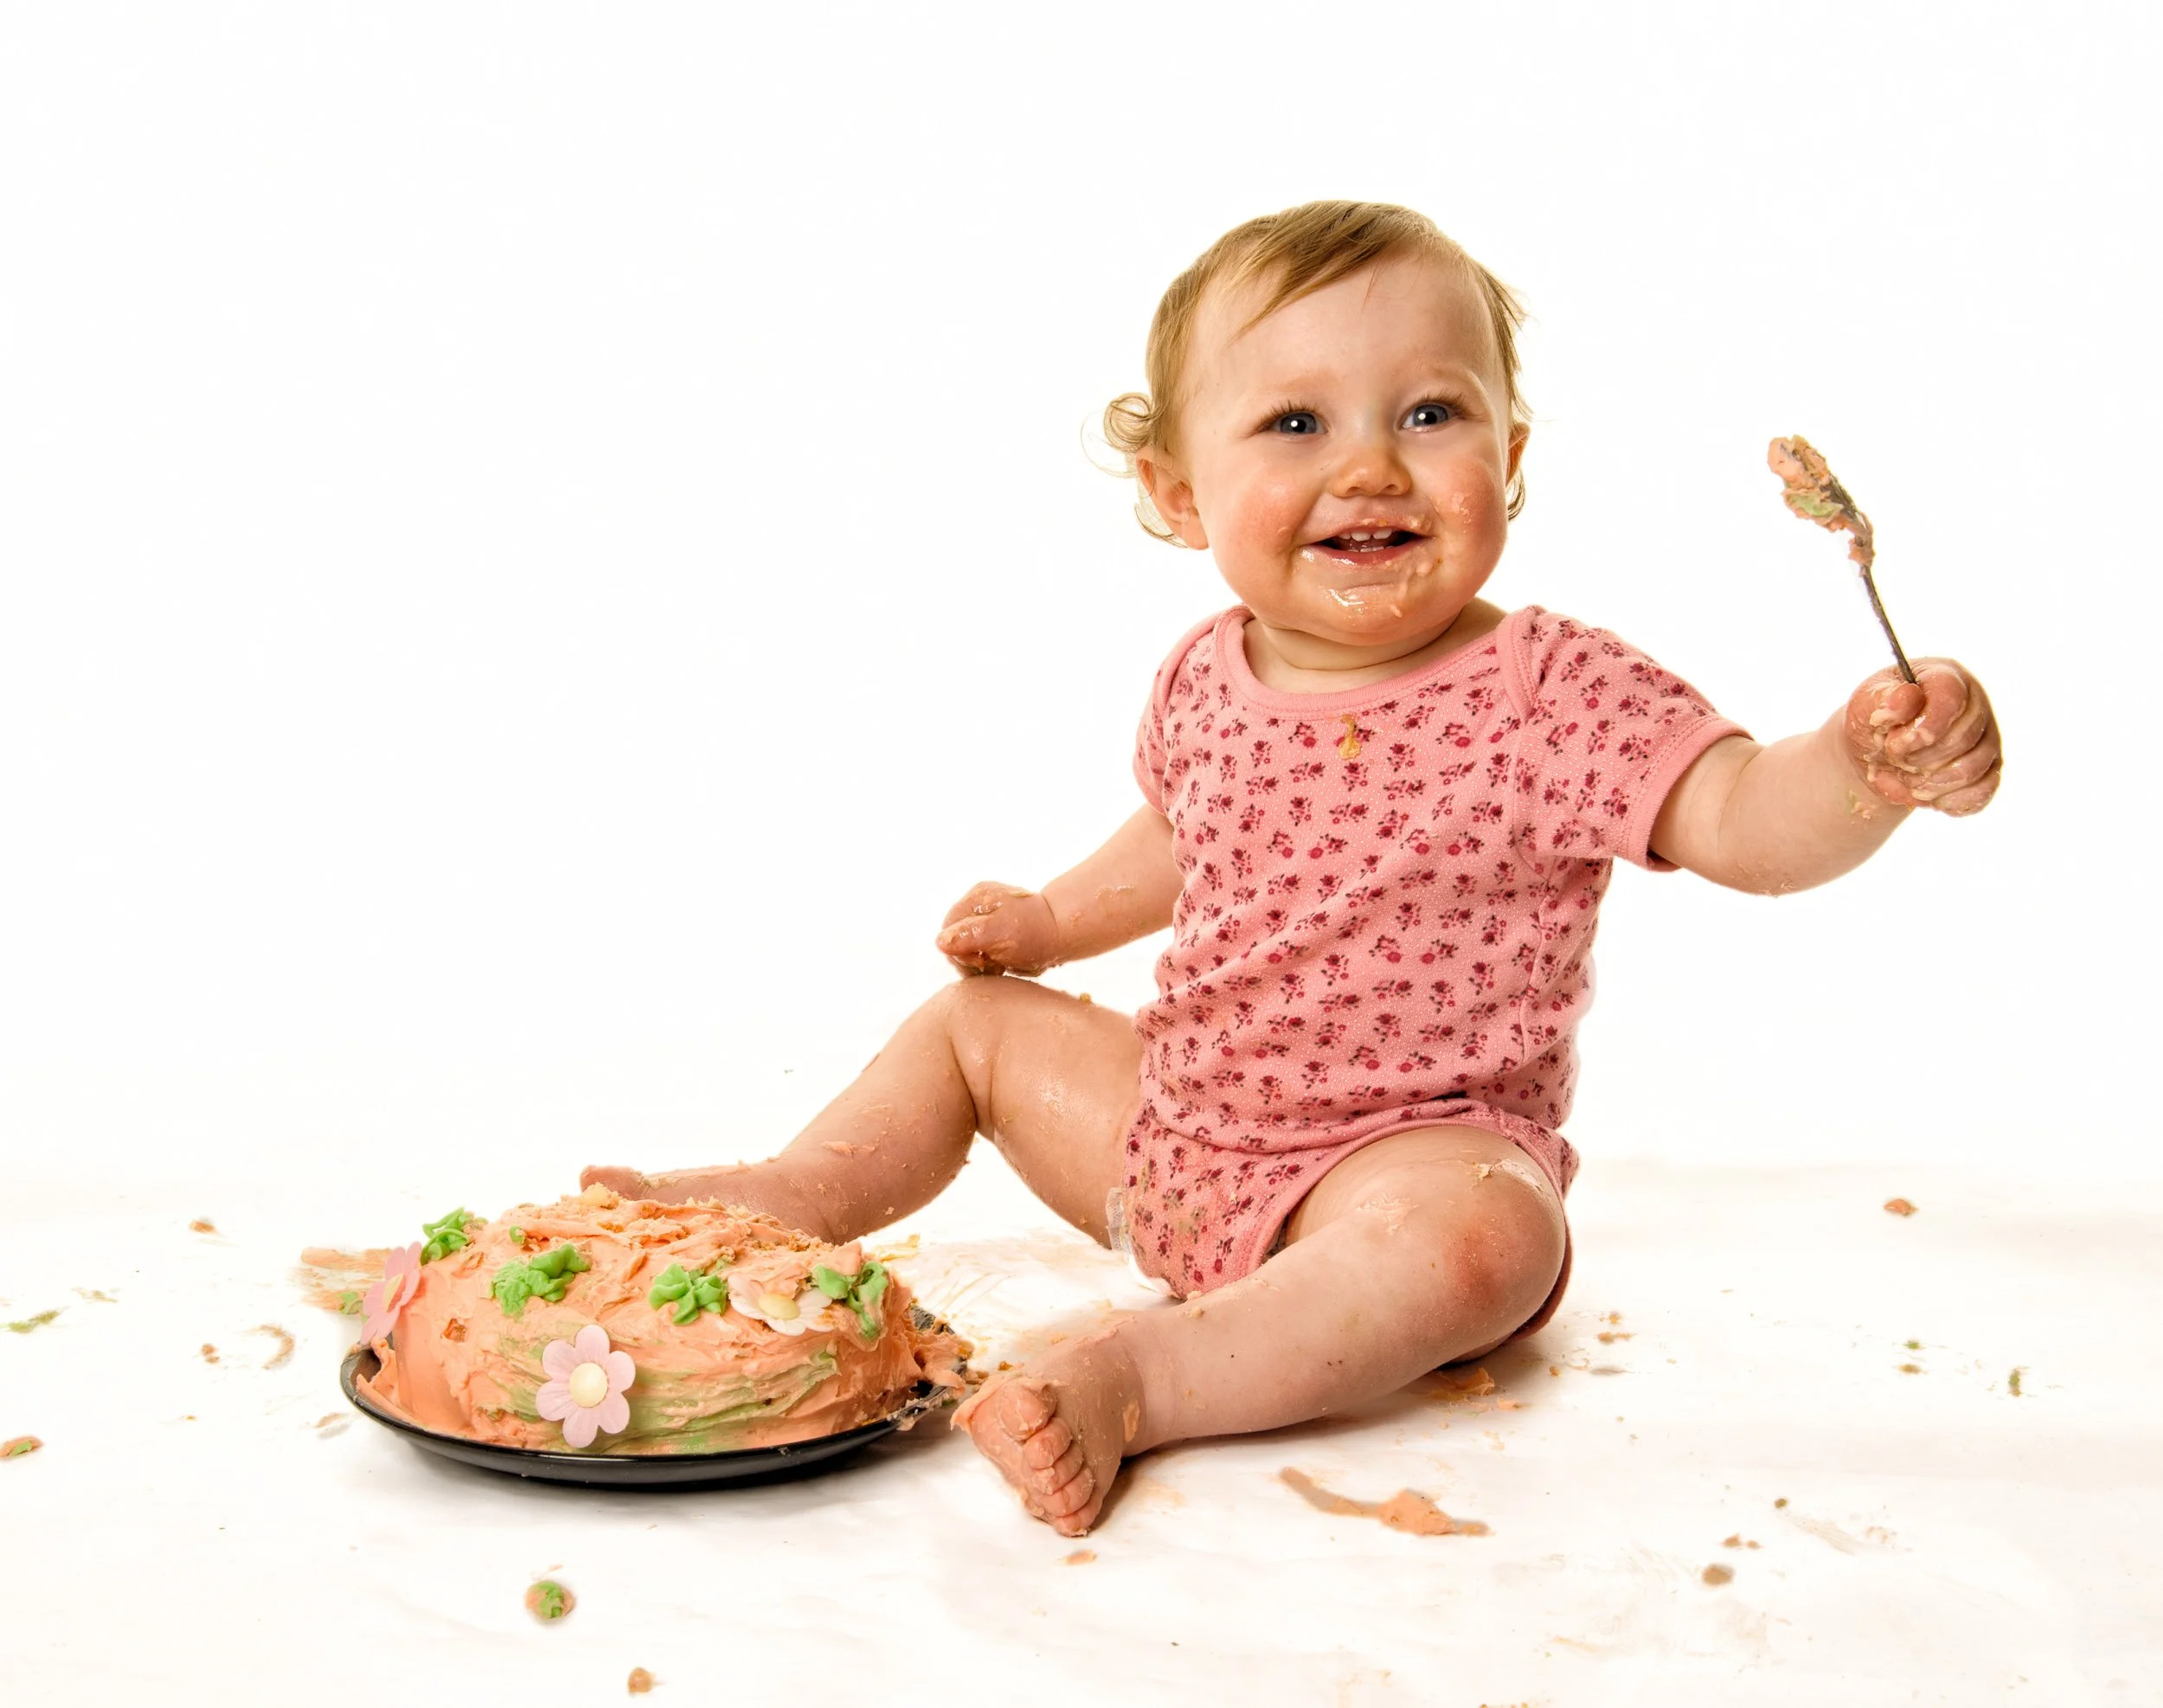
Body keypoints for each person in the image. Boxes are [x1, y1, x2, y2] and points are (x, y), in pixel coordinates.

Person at [582, 200, 2001, 1536]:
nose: (1370, 463)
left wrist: (1861, 769)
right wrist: (1054, 920)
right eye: (1295, 421)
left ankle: (1149, 1376)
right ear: (1179, 490)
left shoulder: (1548, 687)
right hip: (1176, 1134)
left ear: (1509, 457)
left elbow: (1741, 815)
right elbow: (1179, 840)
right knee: (971, 1031)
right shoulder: (1206, 673)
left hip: (1401, 1161)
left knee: (1485, 1245)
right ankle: (786, 1194)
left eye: (1432, 413)